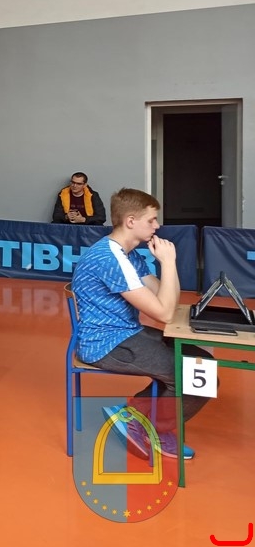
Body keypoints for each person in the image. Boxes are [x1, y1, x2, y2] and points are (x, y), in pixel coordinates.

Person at [71, 187, 209, 460]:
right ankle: (148, 427)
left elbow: (167, 299)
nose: (157, 226)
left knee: (203, 362)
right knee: (192, 375)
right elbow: (165, 313)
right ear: (131, 221)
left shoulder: (128, 254)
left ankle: (134, 417)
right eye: (152, 220)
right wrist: (168, 263)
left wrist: (168, 264)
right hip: (105, 344)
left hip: (127, 333)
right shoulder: (109, 258)